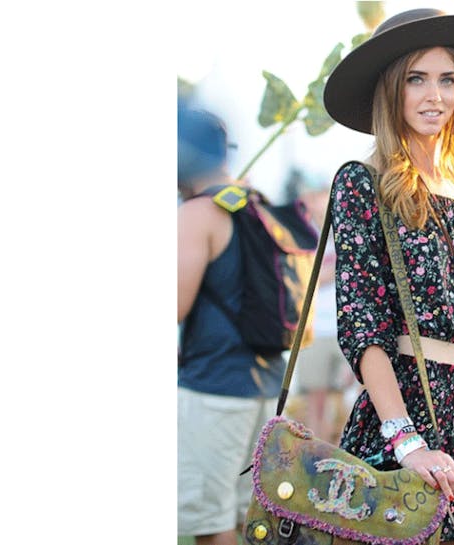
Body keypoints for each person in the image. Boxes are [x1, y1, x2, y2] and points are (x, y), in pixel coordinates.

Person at [321, 8, 454, 543]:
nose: (435, 95)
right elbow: (363, 327)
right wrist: (407, 442)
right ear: (392, 90)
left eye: (447, 80)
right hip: (400, 421)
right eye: (417, 79)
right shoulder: (362, 184)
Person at [177, 107, 284, 545]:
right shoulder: (254, 202)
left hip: (214, 388)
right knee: (248, 516)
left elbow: (174, 306)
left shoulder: (198, 213)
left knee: (210, 520)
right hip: (265, 386)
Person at [294, 179, 356, 444]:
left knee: (354, 399)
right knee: (315, 403)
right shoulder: (300, 235)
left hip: (346, 330)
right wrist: (330, 272)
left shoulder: (346, 231)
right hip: (314, 330)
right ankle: (317, 455)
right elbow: (302, 278)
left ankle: (350, 453)